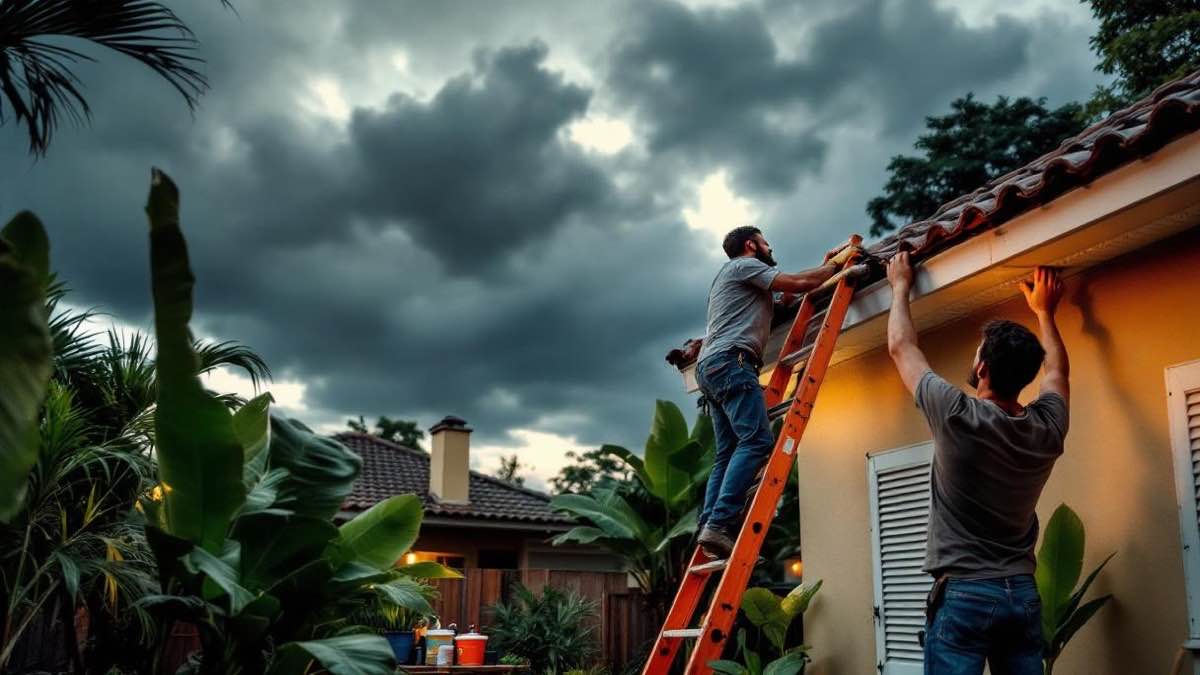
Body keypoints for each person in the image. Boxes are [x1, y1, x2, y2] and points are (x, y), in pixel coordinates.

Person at [885, 252, 1070, 674]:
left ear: (982, 367)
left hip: (965, 595)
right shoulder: (1046, 429)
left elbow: (901, 346)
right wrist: (1045, 312)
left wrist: (899, 286)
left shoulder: (957, 415)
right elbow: (1057, 372)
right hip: (1021, 594)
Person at [694, 226, 858, 559]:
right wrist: (838, 266)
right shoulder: (744, 266)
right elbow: (797, 283)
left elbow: (787, 297)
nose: (771, 248)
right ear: (751, 245)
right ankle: (721, 524)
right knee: (756, 442)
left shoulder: (742, 280)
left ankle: (709, 524)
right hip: (731, 362)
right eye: (766, 242)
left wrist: (822, 266)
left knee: (727, 454)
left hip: (710, 368)